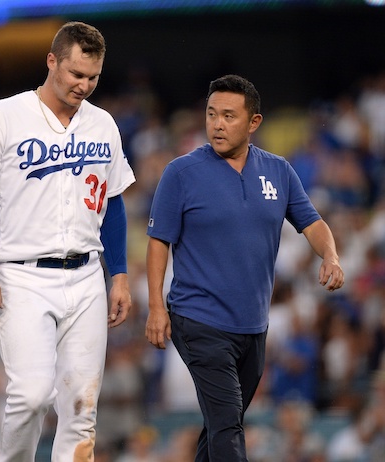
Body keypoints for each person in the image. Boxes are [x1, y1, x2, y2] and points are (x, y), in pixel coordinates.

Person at [0, 21, 135, 461]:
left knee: (81, 405)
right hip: (21, 274)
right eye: (76, 74)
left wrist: (120, 275)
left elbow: (112, 205)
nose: (84, 85)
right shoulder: (4, 115)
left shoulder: (102, 124)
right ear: (51, 61)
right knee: (32, 395)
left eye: (93, 77)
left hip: (86, 275)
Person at [145, 74, 344, 461]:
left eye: (229, 116)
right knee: (228, 424)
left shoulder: (279, 171)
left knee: (223, 423)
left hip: (253, 326)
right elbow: (158, 242)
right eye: (211, 114)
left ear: (254, 122)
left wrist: (331, 256)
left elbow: (312, 222)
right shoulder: (181, 173)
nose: (217, 124)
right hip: (198, 319)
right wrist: (155, 306)